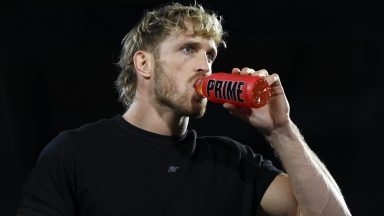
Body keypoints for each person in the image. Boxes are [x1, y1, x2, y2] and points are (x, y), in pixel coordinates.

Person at [17, 2, 351, 216]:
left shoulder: (232, 161)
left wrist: (281, 130)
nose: (205, 66)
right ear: (144, 63)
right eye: (188, 49)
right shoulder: (75, 151)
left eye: (209, 55)